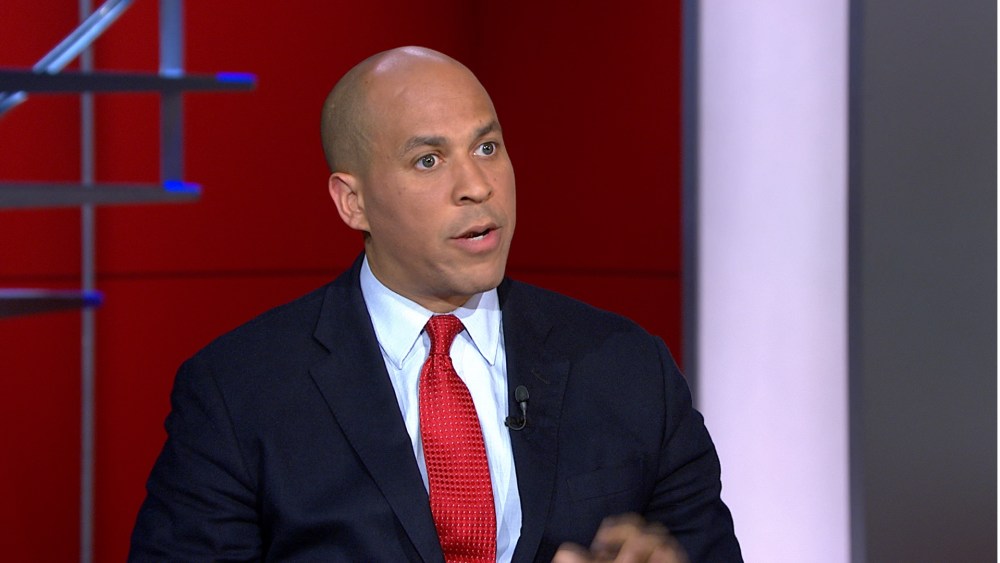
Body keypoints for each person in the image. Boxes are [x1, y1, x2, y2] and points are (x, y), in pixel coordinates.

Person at [129, 46, 741, 562]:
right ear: (353, 202)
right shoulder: (240, 393)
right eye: (428, 160)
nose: (477, 186)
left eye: (487, 147)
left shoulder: (629, 368)